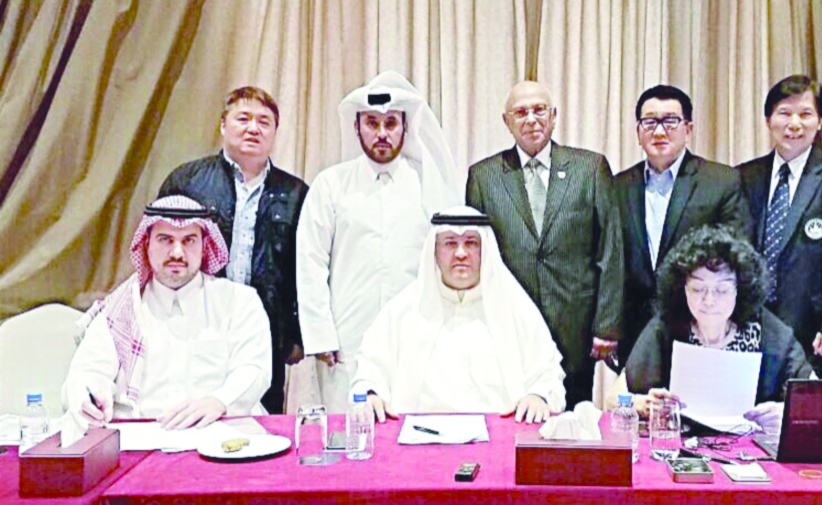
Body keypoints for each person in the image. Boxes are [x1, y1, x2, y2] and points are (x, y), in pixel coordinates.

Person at [297, 71, 463, 413]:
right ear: (356, 127)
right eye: (372, 123)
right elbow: (310, 261)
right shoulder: (331, 184)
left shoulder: (428, 184)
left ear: (405, 127)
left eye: (391, 123)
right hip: (346, 338)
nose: (382, 133)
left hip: (417, 335)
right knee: (348, 433)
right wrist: (320, 334)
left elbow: (448, 262)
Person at [466, 80, 623, 409]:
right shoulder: (484, 176)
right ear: (507, 121)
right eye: (520, 112)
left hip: (574, 324)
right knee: (513, 413)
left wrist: (607, 325)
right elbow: (477, 256)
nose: (531, 120)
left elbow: (611, 250)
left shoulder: (589, 168)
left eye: (539, 110)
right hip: (509, 324)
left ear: (553, 116)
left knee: (573, 419)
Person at [157, 86, 308, 414]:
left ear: (275, 132)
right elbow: (158, 249)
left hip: (267, 330)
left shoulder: (295, 193)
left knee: (262, 419)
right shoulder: (187, 182)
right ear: (223, 125)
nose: (254, 128)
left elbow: (303, 270)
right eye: (243, 119)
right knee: (195, 412)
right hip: (196, 323)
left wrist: (297, 335)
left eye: (264, 122)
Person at [63, 195, 272, 429]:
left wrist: (219, 401)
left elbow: (254, 369)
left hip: (222, 433)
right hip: (140, 437)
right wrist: (91, 397)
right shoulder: (121, 308)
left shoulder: (238, 301)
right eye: (165, 239)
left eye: (189, 240)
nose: (177, 253)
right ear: (146, 244)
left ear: (205, 246)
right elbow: (86, 372)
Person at [351, 207, 567, 423]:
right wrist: (371, 394)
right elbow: (370, 368)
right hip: (419, 436)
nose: (461, 253)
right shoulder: (402, 310)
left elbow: (546, 371)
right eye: (450, 243)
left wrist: (538, 396)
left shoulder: (516, 309)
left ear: (485, 250)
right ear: (434, 251)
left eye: (471, 243)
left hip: (499, 434)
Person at [737, 75, 822, 378]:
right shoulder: (744, 177)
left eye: (805, 114)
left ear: (820, 121)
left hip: (816, 331)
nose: (794, 124)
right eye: (784, 113)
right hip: (751, 326)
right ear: (768, 120)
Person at [624, 226, 812, 430]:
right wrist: (638, 403)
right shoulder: (667, 326)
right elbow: (613, 397)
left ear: (740, 289)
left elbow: (816, 401)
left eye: (722, 290)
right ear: (682, 288)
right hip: (679, 443)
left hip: (750, 446)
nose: (709, 300)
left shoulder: (769, 333)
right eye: (698, 289)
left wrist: (787, 412)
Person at [615, 85, 750, 365]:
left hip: (696, 322)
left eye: (670, 121)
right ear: (638, 131)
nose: (659, 131)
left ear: (688, 129)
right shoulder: (618, 186)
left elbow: (736, 254)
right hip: (633, 328)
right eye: (649, 122)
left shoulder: (720, 181)